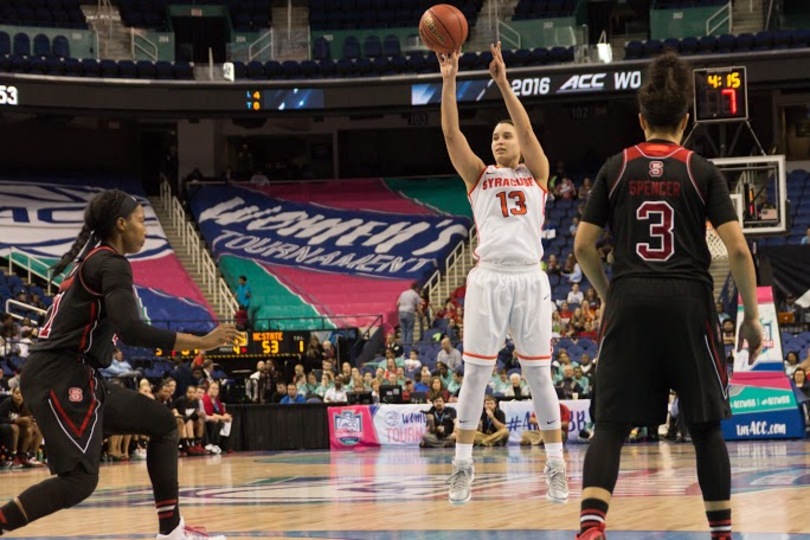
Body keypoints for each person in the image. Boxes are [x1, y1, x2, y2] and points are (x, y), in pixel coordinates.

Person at [572, 52, 764, 540]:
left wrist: (610, 292)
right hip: (688, 301)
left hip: (630, 296)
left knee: (610, 425)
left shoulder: (615, 167)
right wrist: (752, 317)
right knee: (705, 427)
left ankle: (592, 528)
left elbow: (582, 246)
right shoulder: (702, 170)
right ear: (687, 120)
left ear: (641, 119)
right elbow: (738, 249)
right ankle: (721, 533)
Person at [0, 190, 239, 540]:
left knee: (163, 423)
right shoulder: (110, 263)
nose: (145, 229)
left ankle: (171, 531)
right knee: (79, 481)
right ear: (121, 224)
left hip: (74, 373)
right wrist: (201, 342)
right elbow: (132, 330)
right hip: (60, 375)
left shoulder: (95, 263)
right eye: (142, 221)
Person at [438, 41, 568, 505]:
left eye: (504, 136)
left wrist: (502, 83)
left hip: (530, 278)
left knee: (539, 378)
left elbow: (528, 129)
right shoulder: (478, 176)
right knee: (475, 376)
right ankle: (462, 468)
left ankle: (556, 465)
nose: (498, 140)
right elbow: (453, 137)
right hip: (488, 278)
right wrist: (450, 80)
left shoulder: (537, 174)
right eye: (494, 136)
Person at [396, 282, 422, 346]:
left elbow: (397, 304)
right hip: (409, 313)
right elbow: (418, 307)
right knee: (409, 330)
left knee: (403, 330)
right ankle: (408, 346)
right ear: (416, 288)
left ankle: (403, 346)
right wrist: (422, 315)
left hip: (401, 312)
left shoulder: (403, 293)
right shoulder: (415, 294)